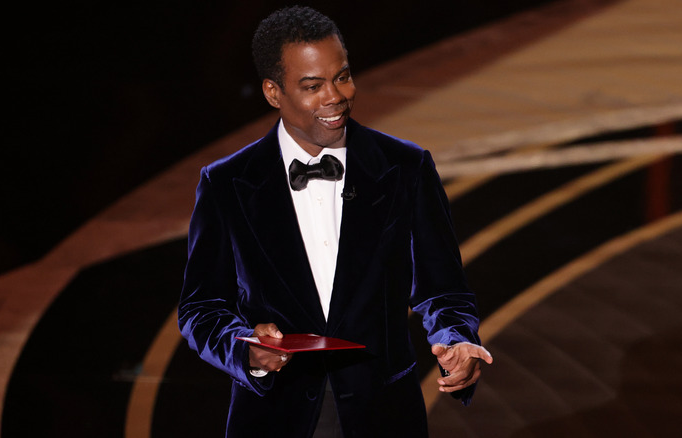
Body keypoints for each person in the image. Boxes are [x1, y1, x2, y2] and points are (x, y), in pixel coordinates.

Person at [179, 6, 492, 437]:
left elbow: (443, 289)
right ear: (273, 92)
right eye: (312, 86)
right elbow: (201, 307)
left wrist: (456, 339)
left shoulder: (405, 167)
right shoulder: (226, 183)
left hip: (383, 414)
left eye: (342, 76)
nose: (335, 96)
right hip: (273, 417)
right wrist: (243, 349)